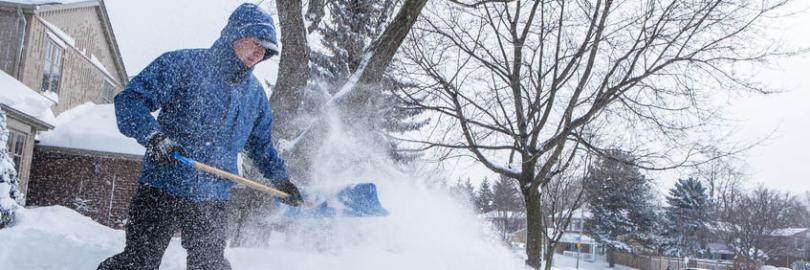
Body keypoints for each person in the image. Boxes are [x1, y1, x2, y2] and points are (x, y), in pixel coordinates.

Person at [97, 4, 302, 270]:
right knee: (139, 263)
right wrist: (155, 137)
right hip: (162, 186)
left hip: (212, 198)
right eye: (256, 43)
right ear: (235, 35)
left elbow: (261, 147)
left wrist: (281, 180)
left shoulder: (255, 95)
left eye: (266, 50)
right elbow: (130, 101)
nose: (259, 53)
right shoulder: (183, 65)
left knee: (210, 266)